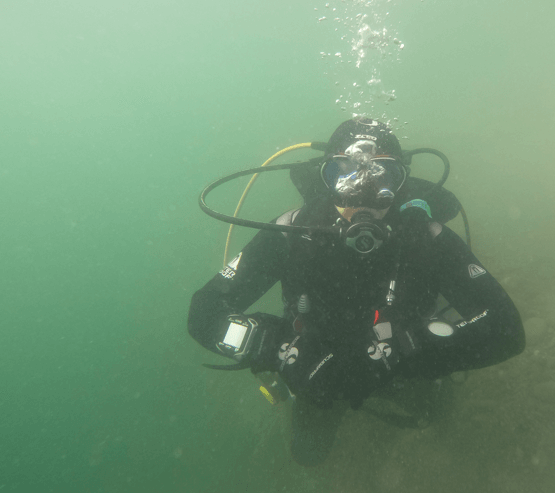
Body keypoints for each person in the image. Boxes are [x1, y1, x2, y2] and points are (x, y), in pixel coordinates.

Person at [188, 118, 525, 466]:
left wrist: (404, 351)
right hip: (314, 368)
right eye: (343, 174)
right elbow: (205, 311)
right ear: (326, 179)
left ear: (401, 182)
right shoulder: (292, 233)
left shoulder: (424, 238)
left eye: (383, 177)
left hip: (402, 365)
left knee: (435, 416)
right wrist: (276, 348)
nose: (363, 194)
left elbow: (507, 329)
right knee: (308, 456)